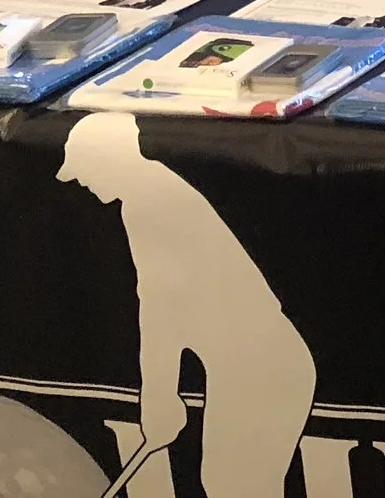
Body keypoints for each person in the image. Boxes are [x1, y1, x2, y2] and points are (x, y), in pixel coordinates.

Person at [57, 112, 317, 498]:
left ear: (109, 160)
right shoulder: (148, 193)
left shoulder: (151, 200)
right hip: (254, 366)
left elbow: (162, 307)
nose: (83, 181)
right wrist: (161, 396)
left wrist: (159, 395)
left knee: (236, 487)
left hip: (264, 366)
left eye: (85, 169)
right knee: (228, 485)